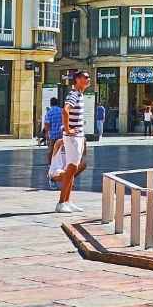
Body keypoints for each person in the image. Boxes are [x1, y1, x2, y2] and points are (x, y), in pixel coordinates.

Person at [50, 71, 90, 213]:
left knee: (72, 170)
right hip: (73, 138)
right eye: (85, 77)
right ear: (77, 80)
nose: (88, 79)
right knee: (70, 170)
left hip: (77, 137)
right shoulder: (73, 94)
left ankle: (67, 201)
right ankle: (61, 202)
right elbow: (65, 111)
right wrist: (67, 129)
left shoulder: (80, 94)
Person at [41, 97, 63, 175]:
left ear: (51, 103)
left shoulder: (49, 112)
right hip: (61, 134)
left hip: (53, 135)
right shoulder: (61, 110)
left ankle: (50, 164)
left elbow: (47, 124)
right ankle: (61, 164)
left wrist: (47, 134)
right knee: (61, 150)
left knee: (51, 150)